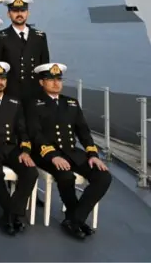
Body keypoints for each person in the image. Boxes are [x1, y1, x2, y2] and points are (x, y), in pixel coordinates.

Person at [28, 63, 111, 240]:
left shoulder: (71, 103)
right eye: (51, 80)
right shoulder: (34, 103)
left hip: (71, 152)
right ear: (42, 82)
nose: (56, 83)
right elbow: (35, 133)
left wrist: (93, 155)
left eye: (58, 79)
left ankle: (74, 219)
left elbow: (83, 131)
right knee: (66, 175)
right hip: (45, 154)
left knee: (103, 176)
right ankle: (75, 219)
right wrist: (52, 156)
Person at [0, 62, 38, 235]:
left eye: (2, 78)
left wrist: (25, 151)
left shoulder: (15, 102)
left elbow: (22, 130)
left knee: (31, 172)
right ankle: (13, 214)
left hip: (11, 148)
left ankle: (11, 213)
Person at [0, 0, 49, 100]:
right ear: (9, 14)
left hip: (35, 92)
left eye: (23, 10)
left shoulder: (40, 36)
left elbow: (44, 66)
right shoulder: (0, 37)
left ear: (28, 13)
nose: (19, 14)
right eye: (15, 11)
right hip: (11, 93)